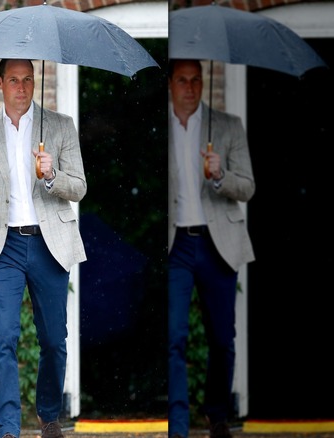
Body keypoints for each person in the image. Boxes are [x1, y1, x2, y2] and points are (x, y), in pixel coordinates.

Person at [0, 59, 87, 438]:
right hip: (4, 246)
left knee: (53, 339)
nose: (22, 87)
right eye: (13, 80)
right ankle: (8, 428)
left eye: (28, 79)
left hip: (50, 245)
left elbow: (78, 187)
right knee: (3, 336)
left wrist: (51, 175)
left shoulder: (59, 126)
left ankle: (49, 416)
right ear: (0, 83)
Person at [167, 59, 256, 438]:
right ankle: (179, 423)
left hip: (217, 242)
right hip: (176, 247)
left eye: (197, 80)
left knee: (222, 337)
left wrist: (220, 174)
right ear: (170, 84)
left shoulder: (228, 126)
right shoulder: (163, 127)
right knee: (174, 336)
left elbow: (248, 187)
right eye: (183, 80)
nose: (191, 87)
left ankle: (216, 413)